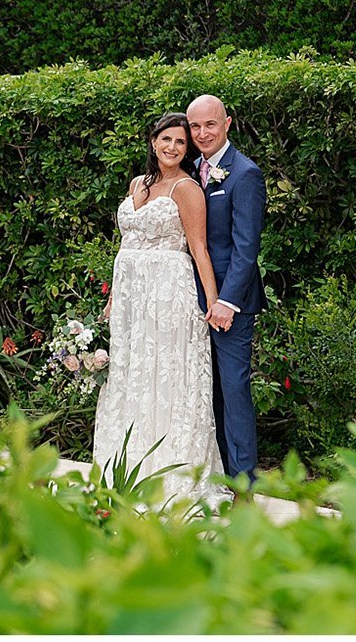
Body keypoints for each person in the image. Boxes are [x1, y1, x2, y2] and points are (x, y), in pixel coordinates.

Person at [92, 111, 230, 509]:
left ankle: (170, 474)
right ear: (153, 142)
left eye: (180, 142)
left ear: (187, 151)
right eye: (166, 139)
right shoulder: (138, 183)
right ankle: (124, 469)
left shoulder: (187, 189)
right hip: (132, 299)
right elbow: (126, 246)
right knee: (131, 376)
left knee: (166, 378)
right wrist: (114, 297)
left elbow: (198, 247)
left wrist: (215, 301)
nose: (172, 147)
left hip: (169, 295)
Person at [187, 93, 266, 482]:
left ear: (228, 124)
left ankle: (244, 481)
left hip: (230, 305)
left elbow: (246, 247)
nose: (202, 133)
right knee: (204, 388)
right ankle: (214, 470)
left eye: (210, 124)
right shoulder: (189, 170)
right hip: (192, 298)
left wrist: (228, 302)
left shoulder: (245, 173)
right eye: (195, 126)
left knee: (233, 389)